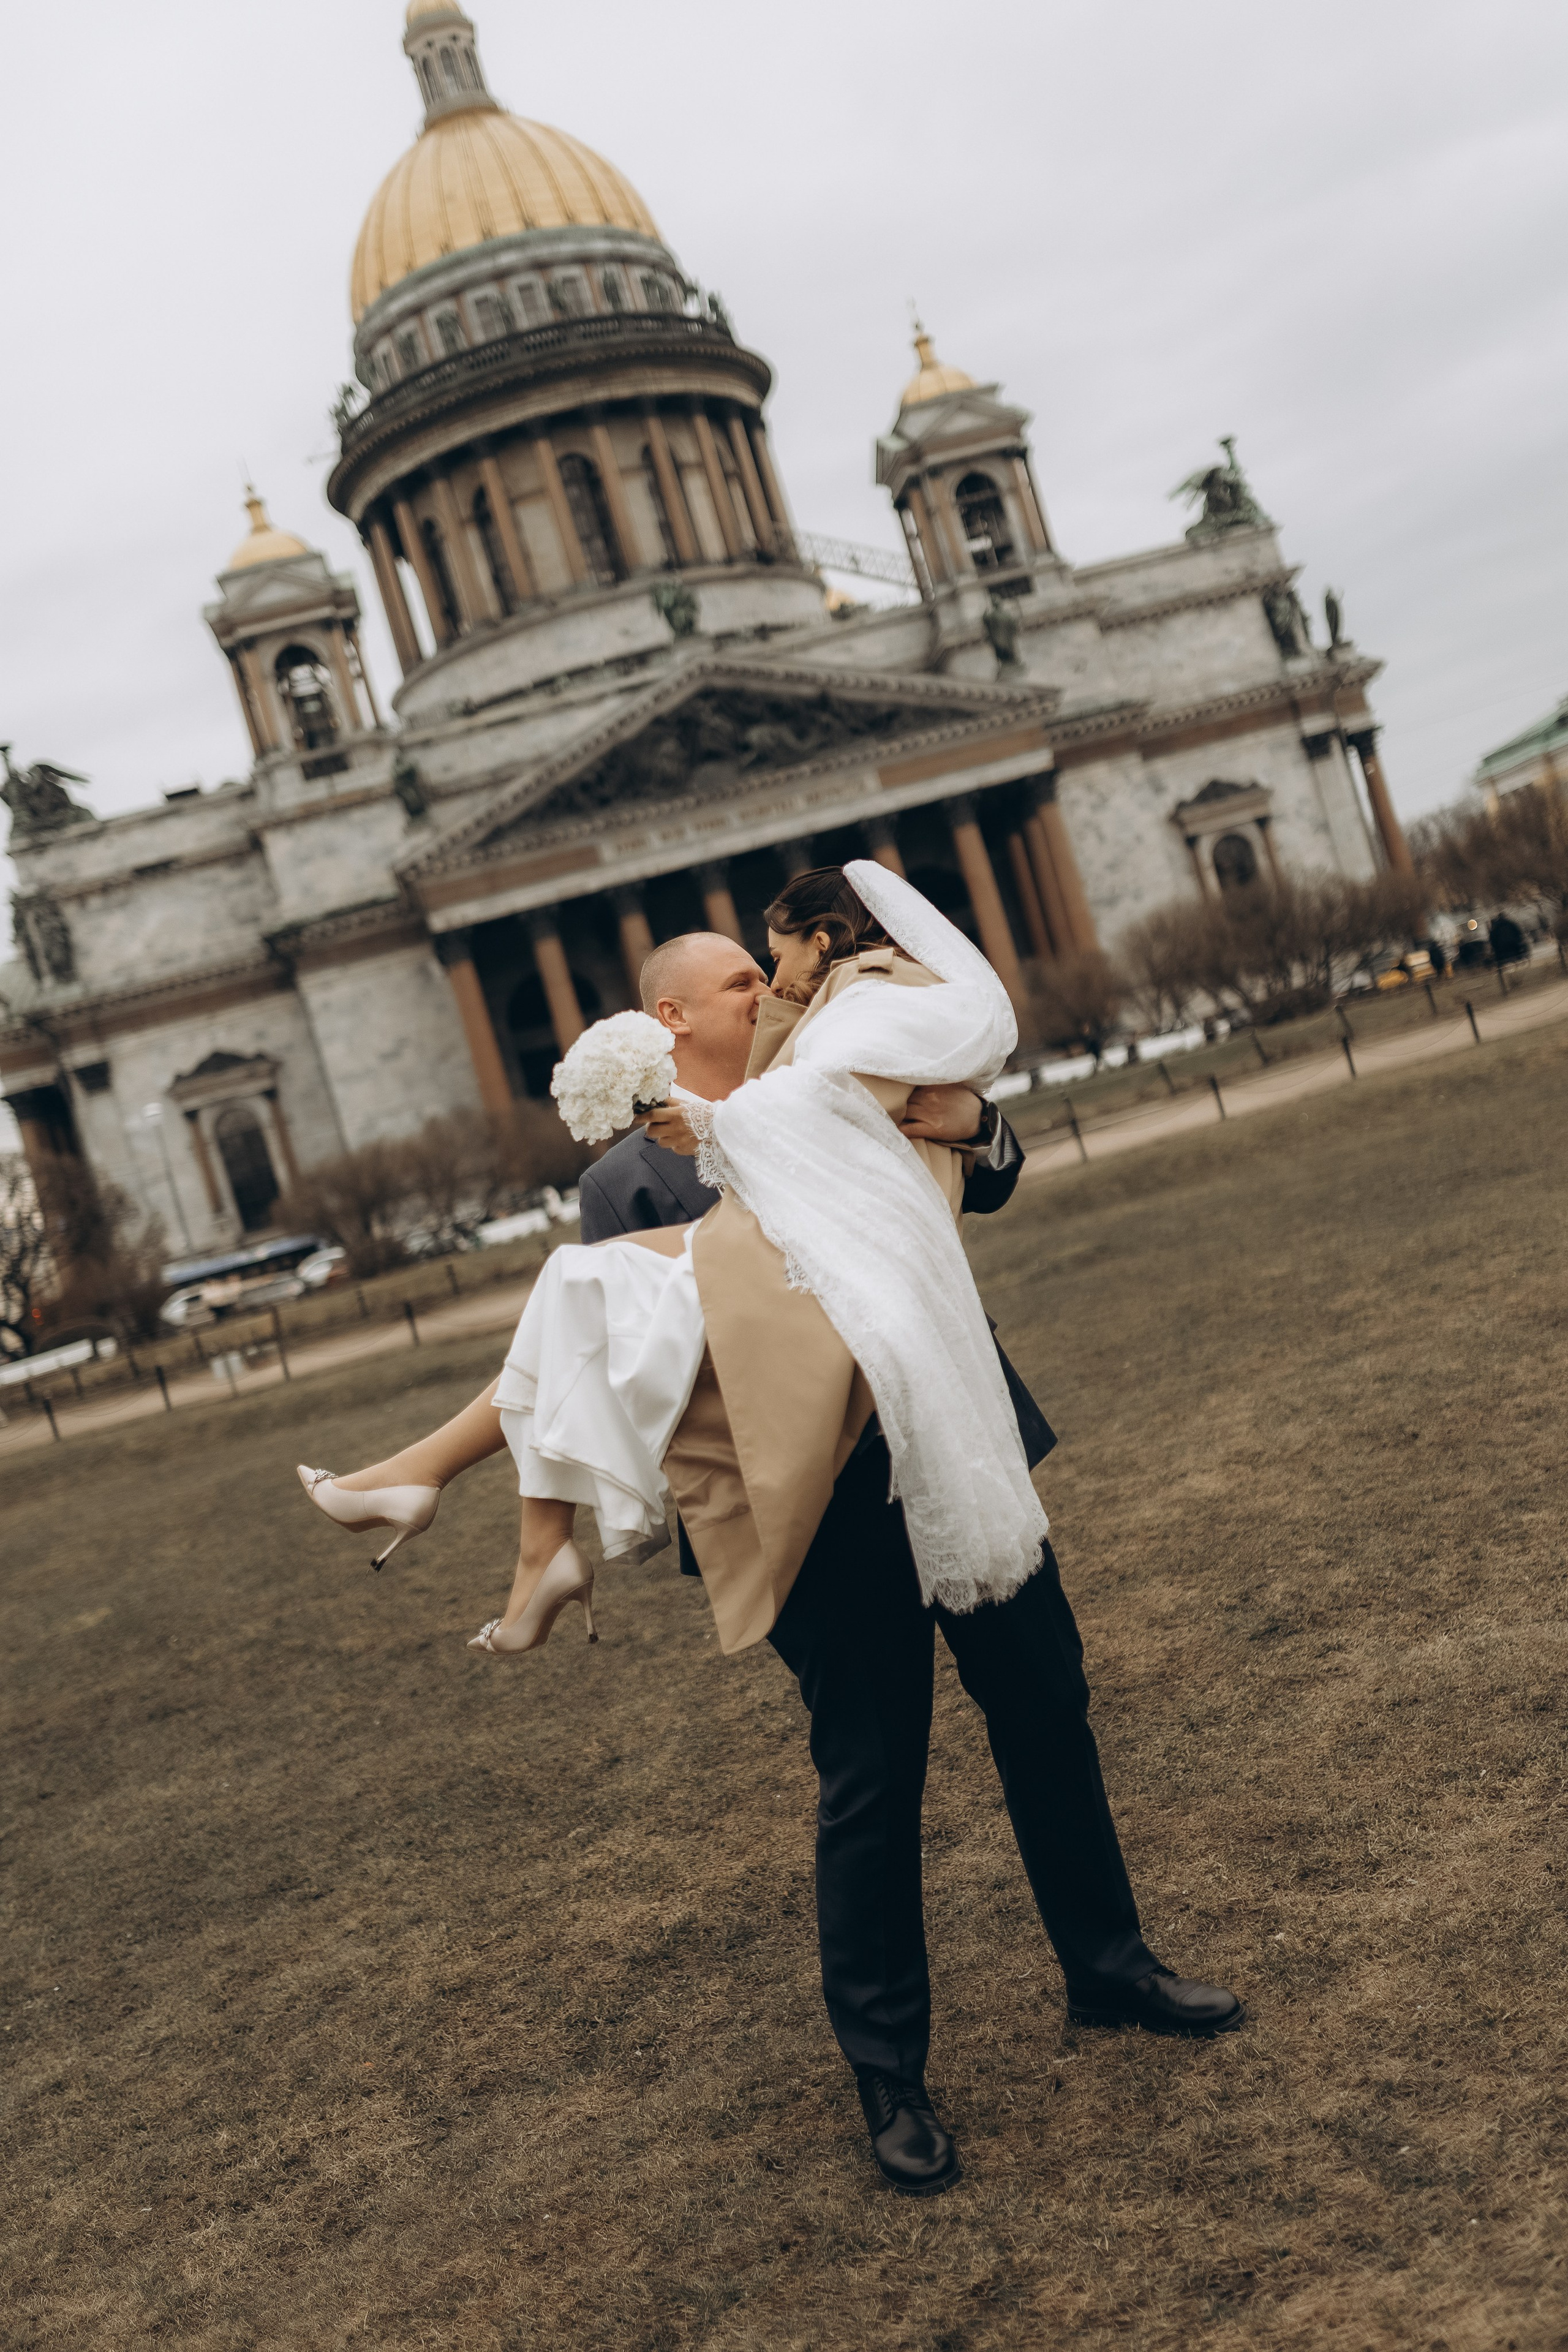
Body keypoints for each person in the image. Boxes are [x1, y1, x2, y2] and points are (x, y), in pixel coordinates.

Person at [301, 865, 1240, 2195]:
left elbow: (991, 1175)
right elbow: (656, 1357)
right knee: (871, 1781)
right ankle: (889, 2081)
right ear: (673, 1018)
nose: (774, 980)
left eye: (768, 966)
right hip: (815, 1513)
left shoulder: (854, 1062)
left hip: (955, 1447)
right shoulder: (632, 1177)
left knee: (1047, 1705)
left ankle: (1112, 1970)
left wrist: (968, 1118)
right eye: (741, 978)